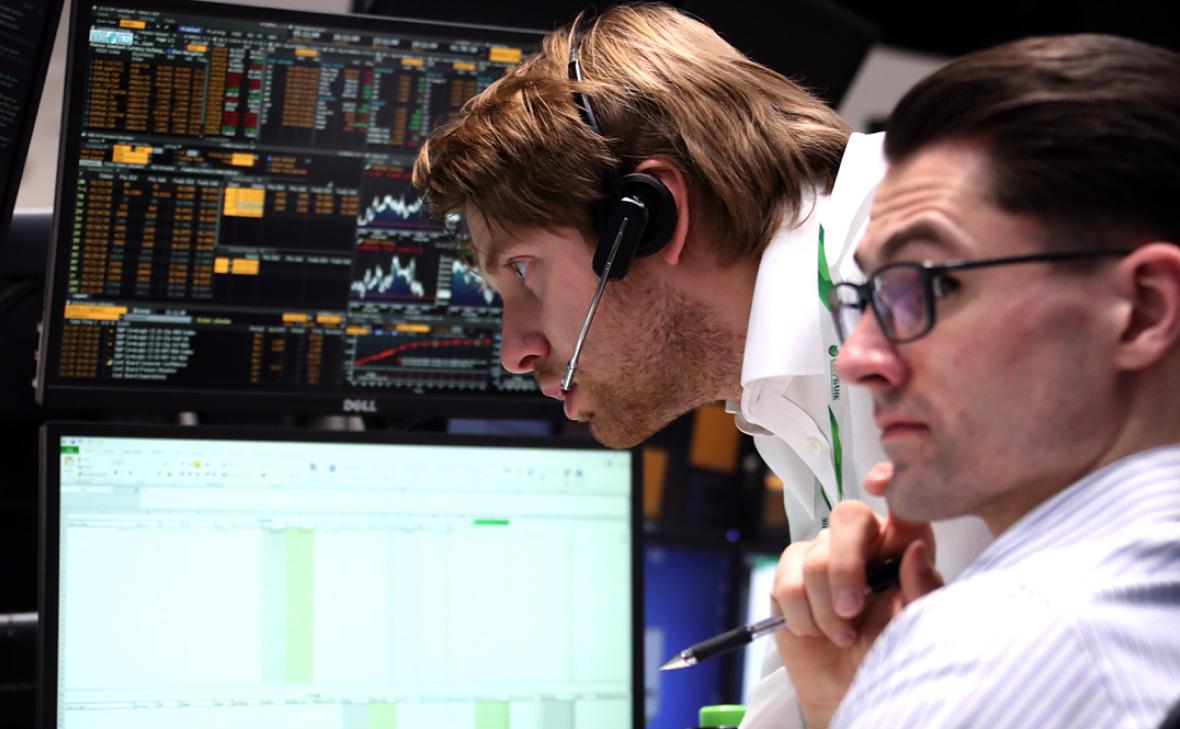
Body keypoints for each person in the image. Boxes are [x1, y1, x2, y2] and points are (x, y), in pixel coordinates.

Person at [412, 4, 990, 725]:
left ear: (648, 218)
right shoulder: (788, 382)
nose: (514, 350)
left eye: (525, 271)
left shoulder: (915, 272)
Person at [772, 33, 1180, 728]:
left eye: (928, 286)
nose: (856, 358)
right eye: (868, 298)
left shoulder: (1004, 641)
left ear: (1143, 309)